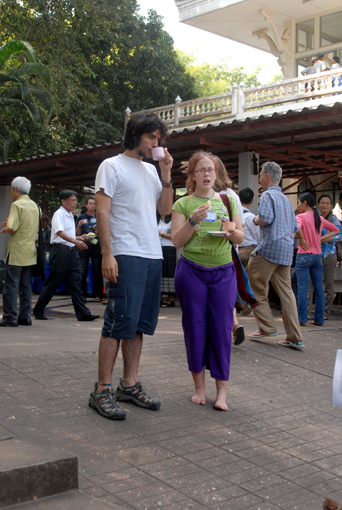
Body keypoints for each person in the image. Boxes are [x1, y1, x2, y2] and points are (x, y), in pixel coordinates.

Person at [88, 112, 173, 421]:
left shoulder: (152, 172)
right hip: (125, 254)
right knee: (116, 322)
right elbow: (102, 212)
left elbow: (164, 211)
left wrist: (166, 174)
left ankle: (129, 384)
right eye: (151, 137)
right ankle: (102, 389)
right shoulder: (110, 166)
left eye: (158, 139)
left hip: (152, 254)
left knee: (138, 325)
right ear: (135, 135)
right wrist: (107, 254)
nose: (155, 143)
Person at [171, 151, 244, 411]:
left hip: (223, 272)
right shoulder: (183, 204)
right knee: (195, 328)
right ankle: (199, 388)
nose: (206, 174)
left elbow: (240, 238)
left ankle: (222, 392)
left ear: (216, 173)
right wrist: (193, 220)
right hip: (191, 271)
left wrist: (231, 231)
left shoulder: (227, 201)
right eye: (200, 170)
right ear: (192, 175)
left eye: (210, 169)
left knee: (223, 330)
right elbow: (177, 241)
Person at [247, 161, 304, 349]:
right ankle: (295, 337)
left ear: (267, 177)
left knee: (254, 285)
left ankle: (267, 327)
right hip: (286, 251)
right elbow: (296, 228)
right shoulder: (287, 200)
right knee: (286, 293)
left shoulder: (267, 195)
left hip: (269, 248)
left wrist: (254, 219)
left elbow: (265, 219)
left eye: (261, 175)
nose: (260, 178)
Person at [33, 190, 99, 322]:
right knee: (53, 282)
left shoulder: (70, 215)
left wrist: (81, 238)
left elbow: (70, 235)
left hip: (72, 252)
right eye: (73, 200)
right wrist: (75, 241)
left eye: (75, 200)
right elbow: (60, 233)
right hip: (61, 252)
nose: (75, 203)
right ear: (63, 201)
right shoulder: (59, 214)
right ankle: (38, 309)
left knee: (76, 282)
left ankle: (82, 313)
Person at [212, 155, 245, 345]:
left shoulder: (223, 196)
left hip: (222, 247)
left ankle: (227, 326)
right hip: (233, 248)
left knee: (219, 293)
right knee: (227, 291)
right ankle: (233, 323)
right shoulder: (233, 194)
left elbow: (236, 228)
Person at [294, 192, 339, 330]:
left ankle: (302, 318)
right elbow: (336, 230)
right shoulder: (318, 218)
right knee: (319, 288)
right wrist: (320, 239)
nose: (298, 205)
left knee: (303, 288)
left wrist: (301, 239)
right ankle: (319, 319)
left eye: (299, 202)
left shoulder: (300, 216)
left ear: (305, 203)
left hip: (304, 255)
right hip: (317, 256)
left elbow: (296, 228)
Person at [0, 176, 39, 327]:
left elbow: (13, 228)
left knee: (10, 285)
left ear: (15, 189)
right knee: (25, 285)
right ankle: (25, 317)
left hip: (17, 251)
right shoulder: (35, 206)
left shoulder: (16, 205)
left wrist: (5, 229)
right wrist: (10, 224)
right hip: (30, 251)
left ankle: (10, 317)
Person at [316, 195, 342, 319]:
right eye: (322, 202)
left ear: (331, 206)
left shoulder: (333, 219)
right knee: (314, 284)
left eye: (327, 203)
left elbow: (339, 235)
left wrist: (325, 238)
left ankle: (326, 312)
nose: (325, 205)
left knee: (329, 284)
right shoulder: (315, 218)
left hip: (329, 254)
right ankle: (314, 311)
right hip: (315, 253)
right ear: (318, 204)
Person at [238, 187, 260, 316]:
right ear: (252, 201)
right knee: (248, 280)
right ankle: (246, 307)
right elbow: (257, 237)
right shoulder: (251, 217)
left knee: (236, 279)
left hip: (236, 250)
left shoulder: (234, 216)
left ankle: (239, 305)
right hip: (249, 250)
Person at [76, 196, 103, 302]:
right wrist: (79, 225)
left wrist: (97, 229)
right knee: (83, 271)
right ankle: (83, 294)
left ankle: (98, 294)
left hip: (96, 245)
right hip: (84, 245)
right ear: (86, 205)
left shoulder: (98, 216)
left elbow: (101, 233)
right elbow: (78, 233)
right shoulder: (82, 217)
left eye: (94, 204)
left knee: (97, 271)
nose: (92, 206)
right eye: (90, 203)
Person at [157, 213, 176, 307]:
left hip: (169, 247)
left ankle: (170, 299)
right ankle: (158, 298)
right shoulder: (155, 219)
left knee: (169, 272)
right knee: (159, 272)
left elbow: (175, 236)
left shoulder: (173, 220)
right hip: (156, 248)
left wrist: (161, 234)